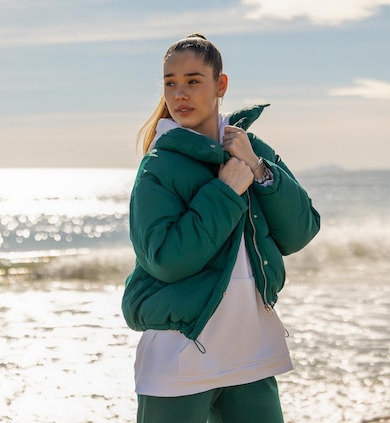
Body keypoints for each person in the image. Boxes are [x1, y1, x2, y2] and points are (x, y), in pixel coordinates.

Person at [121, 33, 320, 423]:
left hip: (251, 351)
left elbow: (300, 232)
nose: (180, 93)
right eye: (170, 82)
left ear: (220, 85)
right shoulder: (159, 165)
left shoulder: (249, 147)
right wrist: (226, 191)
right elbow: (164, 259)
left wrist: (259, 169)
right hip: (181, 357)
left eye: (193, 81)